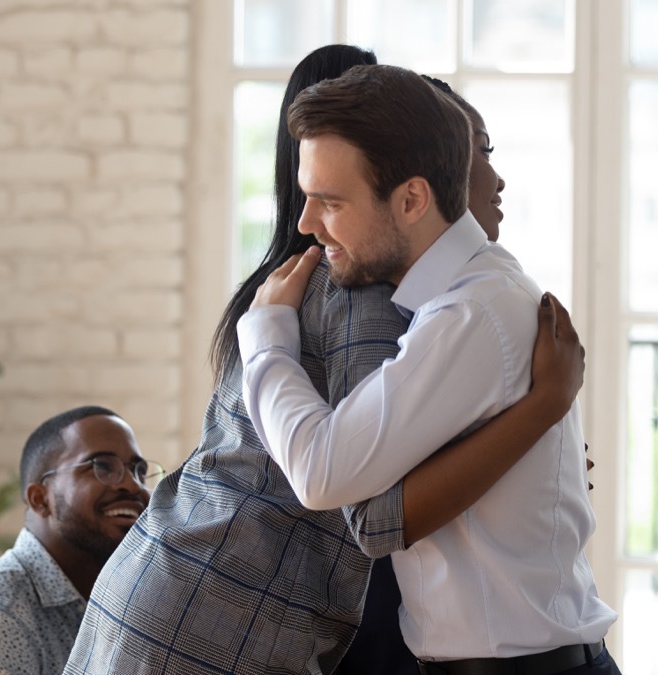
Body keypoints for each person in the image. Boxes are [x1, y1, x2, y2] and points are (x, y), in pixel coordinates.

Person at [64, 45, 585, 675]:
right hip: (215, 617)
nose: (488, 173)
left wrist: (536, 462)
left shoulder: (334, 282)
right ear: (411, 183)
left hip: (178, 584)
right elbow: (375, 514)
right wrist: (536, 419)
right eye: (475, 145)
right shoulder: (358, 293)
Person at [241, 64, 620, 674]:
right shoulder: (458, 301)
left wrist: (265, 338)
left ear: (412, 200)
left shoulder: (470, 313)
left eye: (330, 202)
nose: (307, 224)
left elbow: (320, 472)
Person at [0, 406, 155, 675]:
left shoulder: (117, 603)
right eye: (103, 466)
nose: (134, 486)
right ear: (40, 499)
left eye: (139, 471)